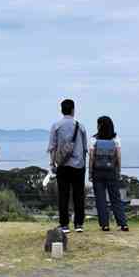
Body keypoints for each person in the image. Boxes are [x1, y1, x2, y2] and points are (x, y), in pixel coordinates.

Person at [47, 99, 89, 234]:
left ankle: (64, 225)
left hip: (63, 166)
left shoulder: (56, 126)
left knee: (63, 195)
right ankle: (79, 224)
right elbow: (84, 149)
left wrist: (52, 163)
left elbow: (52, 148)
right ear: (73, 109)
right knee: (78, 195)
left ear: (61, 110)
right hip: (78, 165)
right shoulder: (80, 126)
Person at [89, 115, 128, 232]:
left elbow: (91, 158)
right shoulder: (116, 139)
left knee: (100, 199)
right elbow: (119, 156)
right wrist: (118, 170)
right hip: (112, 171)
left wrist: (90, 172)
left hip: (98, 172)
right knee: (115, 198)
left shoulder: (94, 139)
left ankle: (105, 225)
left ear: (99, 126)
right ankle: (122, 224)